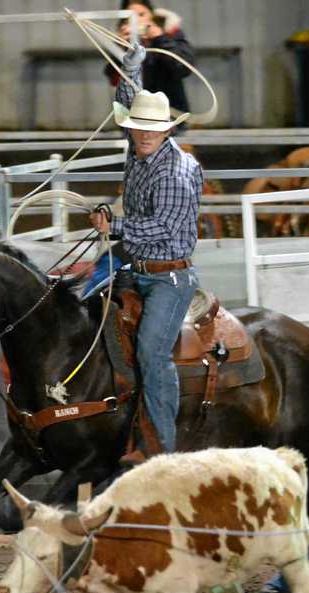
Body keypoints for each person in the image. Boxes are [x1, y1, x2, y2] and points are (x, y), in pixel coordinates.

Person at [89, 40, 202, 465]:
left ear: (166, 131)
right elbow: (125, 100)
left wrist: (114, 225)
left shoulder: (175, 170)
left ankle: (162, 449)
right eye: (138, 126)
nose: (144, 133)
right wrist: (131, 65)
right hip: (133, 263)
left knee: (154, 355)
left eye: (152, 128)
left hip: (167, 277)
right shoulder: (139, 148)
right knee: (77, 301)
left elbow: (166, 227)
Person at [103, 1, 195, 129]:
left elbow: (183, 67)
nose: (137, 20)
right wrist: (121, 47)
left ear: (152, 16)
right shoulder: (123, 42)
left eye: (141, 14)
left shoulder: (170, 34)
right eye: (131, 17)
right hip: (134, 119)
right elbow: (113, 78)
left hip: (169, 115)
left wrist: (160, 39)